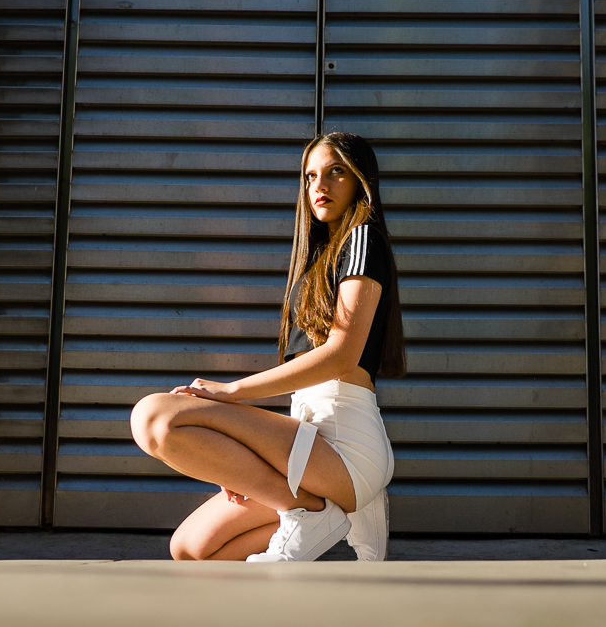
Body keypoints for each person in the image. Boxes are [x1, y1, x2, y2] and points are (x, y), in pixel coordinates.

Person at [130, 132, 405, 562]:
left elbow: (341, 354)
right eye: (311, 175)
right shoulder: (318, 256)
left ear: (361, 180)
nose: (320, 185)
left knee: (154, 416)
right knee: (190, 550)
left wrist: (230, 391)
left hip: (344, 445)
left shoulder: (363, 237)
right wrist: (238, 465)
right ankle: (316, 509)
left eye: (336, 172)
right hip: (308, 439)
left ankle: (308, 508)